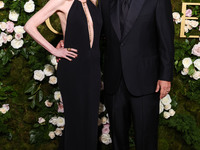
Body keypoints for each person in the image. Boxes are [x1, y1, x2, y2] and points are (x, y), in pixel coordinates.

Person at [24, 0, 102, 149]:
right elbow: (29, 26)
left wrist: (66, 39)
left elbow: (87, 31)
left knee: (90, 121)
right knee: (76, 121)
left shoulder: (93, 1)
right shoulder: (61, 0)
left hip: (93, 68)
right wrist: (54, 50)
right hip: (73, 67)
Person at [98, 0, 174, 149]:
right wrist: (67, 41)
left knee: (146, 139)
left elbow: (166, 40)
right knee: (118, 139)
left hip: (146, 81)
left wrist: (165, 76)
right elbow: (95, 34)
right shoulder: (105, 2)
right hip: (114, 81)